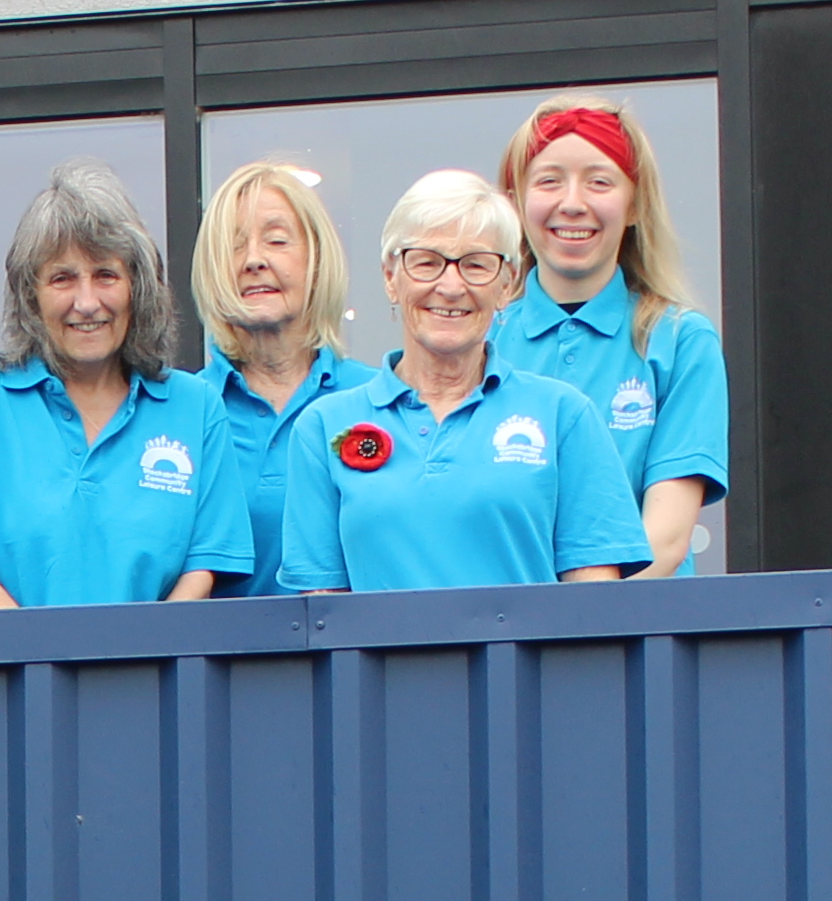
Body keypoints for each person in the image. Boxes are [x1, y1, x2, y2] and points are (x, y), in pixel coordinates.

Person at [0, 161, 255, 612]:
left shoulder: (197, 408)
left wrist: (143, 655)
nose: (87, 303)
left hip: (158, 659)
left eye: (106, 275)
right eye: (62, 278)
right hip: (11, 659)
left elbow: (200, 577)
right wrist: (42, 657)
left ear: (138, 288)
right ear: (30, 296)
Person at [276, 174, 647, 597]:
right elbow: (323, 612)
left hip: (528, 646)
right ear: (390, 277)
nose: (451, 287)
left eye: (476, 264)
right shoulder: (323, 427)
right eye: (426, 262)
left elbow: (593, 607)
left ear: (507, 283)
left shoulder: (565, 414)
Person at [496, 98, 731, 579]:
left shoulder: (679, 341)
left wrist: (577, 622)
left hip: (634, 621)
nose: (572, 203)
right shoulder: (482, 341)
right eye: (548, 180)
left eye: (599, 181)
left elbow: (664, 541)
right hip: (502, 621)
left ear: (635, 204)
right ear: (515, 202)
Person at [187, 161, 381, 596]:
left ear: (317, 259)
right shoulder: (184, 412)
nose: (254, 260)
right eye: (235, 246)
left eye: (276, 240)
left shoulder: (379, 399)